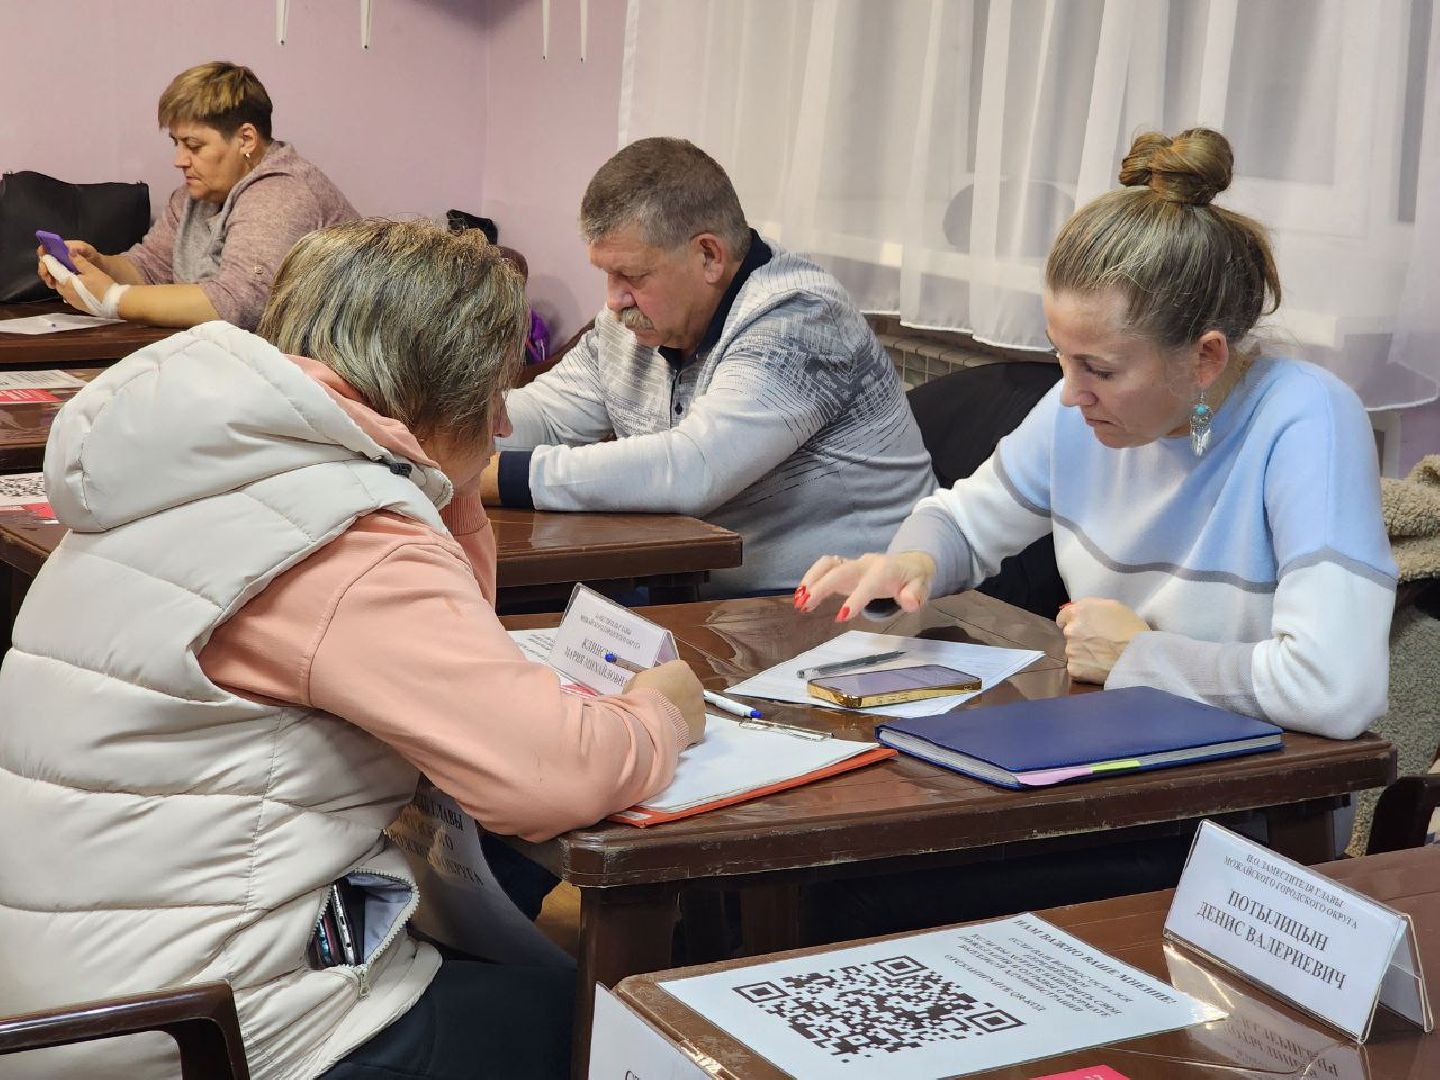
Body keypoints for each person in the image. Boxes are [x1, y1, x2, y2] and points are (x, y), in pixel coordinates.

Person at [0, 220, 706, 1080]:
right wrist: (662, 710)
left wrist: (434, 483)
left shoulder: (201, 462)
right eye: (493, 387)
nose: (505, 415)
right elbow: (554, 773)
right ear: (441, 387)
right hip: (199, 1031)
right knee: (616, 1029)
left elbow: (450, 656)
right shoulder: (343, 535)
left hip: (70, 997)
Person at [800, 127, 1396, 741]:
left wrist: (1140, 658)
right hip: (1111, 743)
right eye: (1062, 356)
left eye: (1101, 369)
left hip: (1255, 788)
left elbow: (1335, 688)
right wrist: (910, 561)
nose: (1069, 393)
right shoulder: (1080, 411)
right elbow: (963, 523)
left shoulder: (1307, 420)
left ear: (1206, 358)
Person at [481, 137, 936, 597]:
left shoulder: (801, 318)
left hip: (853, 610)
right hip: (703, 591)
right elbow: (546, 414)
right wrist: (453, 433)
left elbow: (694, 467)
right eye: (607, 274)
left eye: (633, 276)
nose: (614, 300)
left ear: (709, 256)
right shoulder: (638, 321)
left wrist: (498, 476)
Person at [35, 60, 357, 330]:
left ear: (246, 139)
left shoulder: (282, 192)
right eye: (176, 143)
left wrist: (111, 300)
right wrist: (99, 265)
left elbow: (240, 304)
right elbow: (151, 269)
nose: (179, 160)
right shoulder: (192, 196)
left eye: (194, 146)